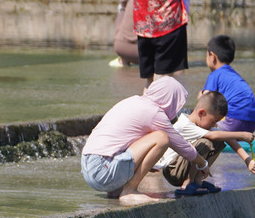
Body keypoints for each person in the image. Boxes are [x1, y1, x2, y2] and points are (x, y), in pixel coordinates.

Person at [81, 76, 208, 205]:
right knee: (162, 138)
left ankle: (115, 191)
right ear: (170, 100)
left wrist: (145, 161)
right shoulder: (155, 113)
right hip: (103, 172)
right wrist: (203, 163)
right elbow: (183, 147)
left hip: (89, 167)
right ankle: (129, 190)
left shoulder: (133, 101)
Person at [155, 90, 255, 195]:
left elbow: (227, 138)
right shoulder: (185, 124)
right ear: (201, 113)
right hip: (173, 170)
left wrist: (247, 160)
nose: (214, 125)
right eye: (213, 121)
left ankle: (197, 182)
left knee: (219, 142)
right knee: (205, 143)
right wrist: (242, 135)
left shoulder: (201, 125)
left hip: (182, 166)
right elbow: (213, 135)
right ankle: (188, 184)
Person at [202, 35, 255, 175]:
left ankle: (199, 172)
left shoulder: (215, 75)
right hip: (252, 122)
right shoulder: (234, 74)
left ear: (212, 56)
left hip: (233, 121)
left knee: (204, 127)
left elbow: (205, 101)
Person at [110, 0, 139, 68]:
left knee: (122, 10)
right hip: (146, 53)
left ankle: (124, 60)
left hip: (120, 47)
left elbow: (121, 8)